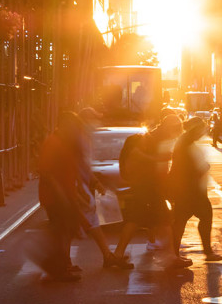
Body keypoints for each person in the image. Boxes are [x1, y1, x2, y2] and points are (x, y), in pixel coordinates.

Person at [114, 114, 190, 270]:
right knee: (164, 219)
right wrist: (162, 160)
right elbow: (146, 160)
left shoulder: (154, 136)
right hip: (149, 187)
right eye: (176, 129)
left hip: (146, 186)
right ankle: (170, 257)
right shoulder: (153, 139)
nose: (177, 133)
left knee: (138, 220)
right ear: (170, 128)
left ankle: (118, 254)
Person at [75, 108, 132, 270]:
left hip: (84, 186)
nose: (96, 123)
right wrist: (80, 188)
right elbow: (76, 167)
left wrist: (95, 183)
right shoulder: (78, 140)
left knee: (91, 222)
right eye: (94, 119)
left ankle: (107, 256)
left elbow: (84, 167)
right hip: (78, 188)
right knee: (67, 227)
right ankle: (61, 261)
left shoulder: (86, 139)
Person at [36, 112, 84, 282]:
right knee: (60, 231)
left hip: (65, 195)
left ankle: (64, 264)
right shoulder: (53, 143)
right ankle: (59, 268)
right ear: (63, 126)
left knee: (65, 231)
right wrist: (62, 195)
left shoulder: (64, 142)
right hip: (55, 197)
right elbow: (46, 172)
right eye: (71, 126)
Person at [169, 117, 222, 262]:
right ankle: (205, 252)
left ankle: (175, 254)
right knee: (202, 217)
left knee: (181, 221)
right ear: (195, 130)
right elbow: (191, 169)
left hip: (186, 189)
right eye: (201, 130)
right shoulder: (187, 145)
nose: (202, 133)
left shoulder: (183, 142)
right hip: (191, 190)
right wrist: (205, 167)